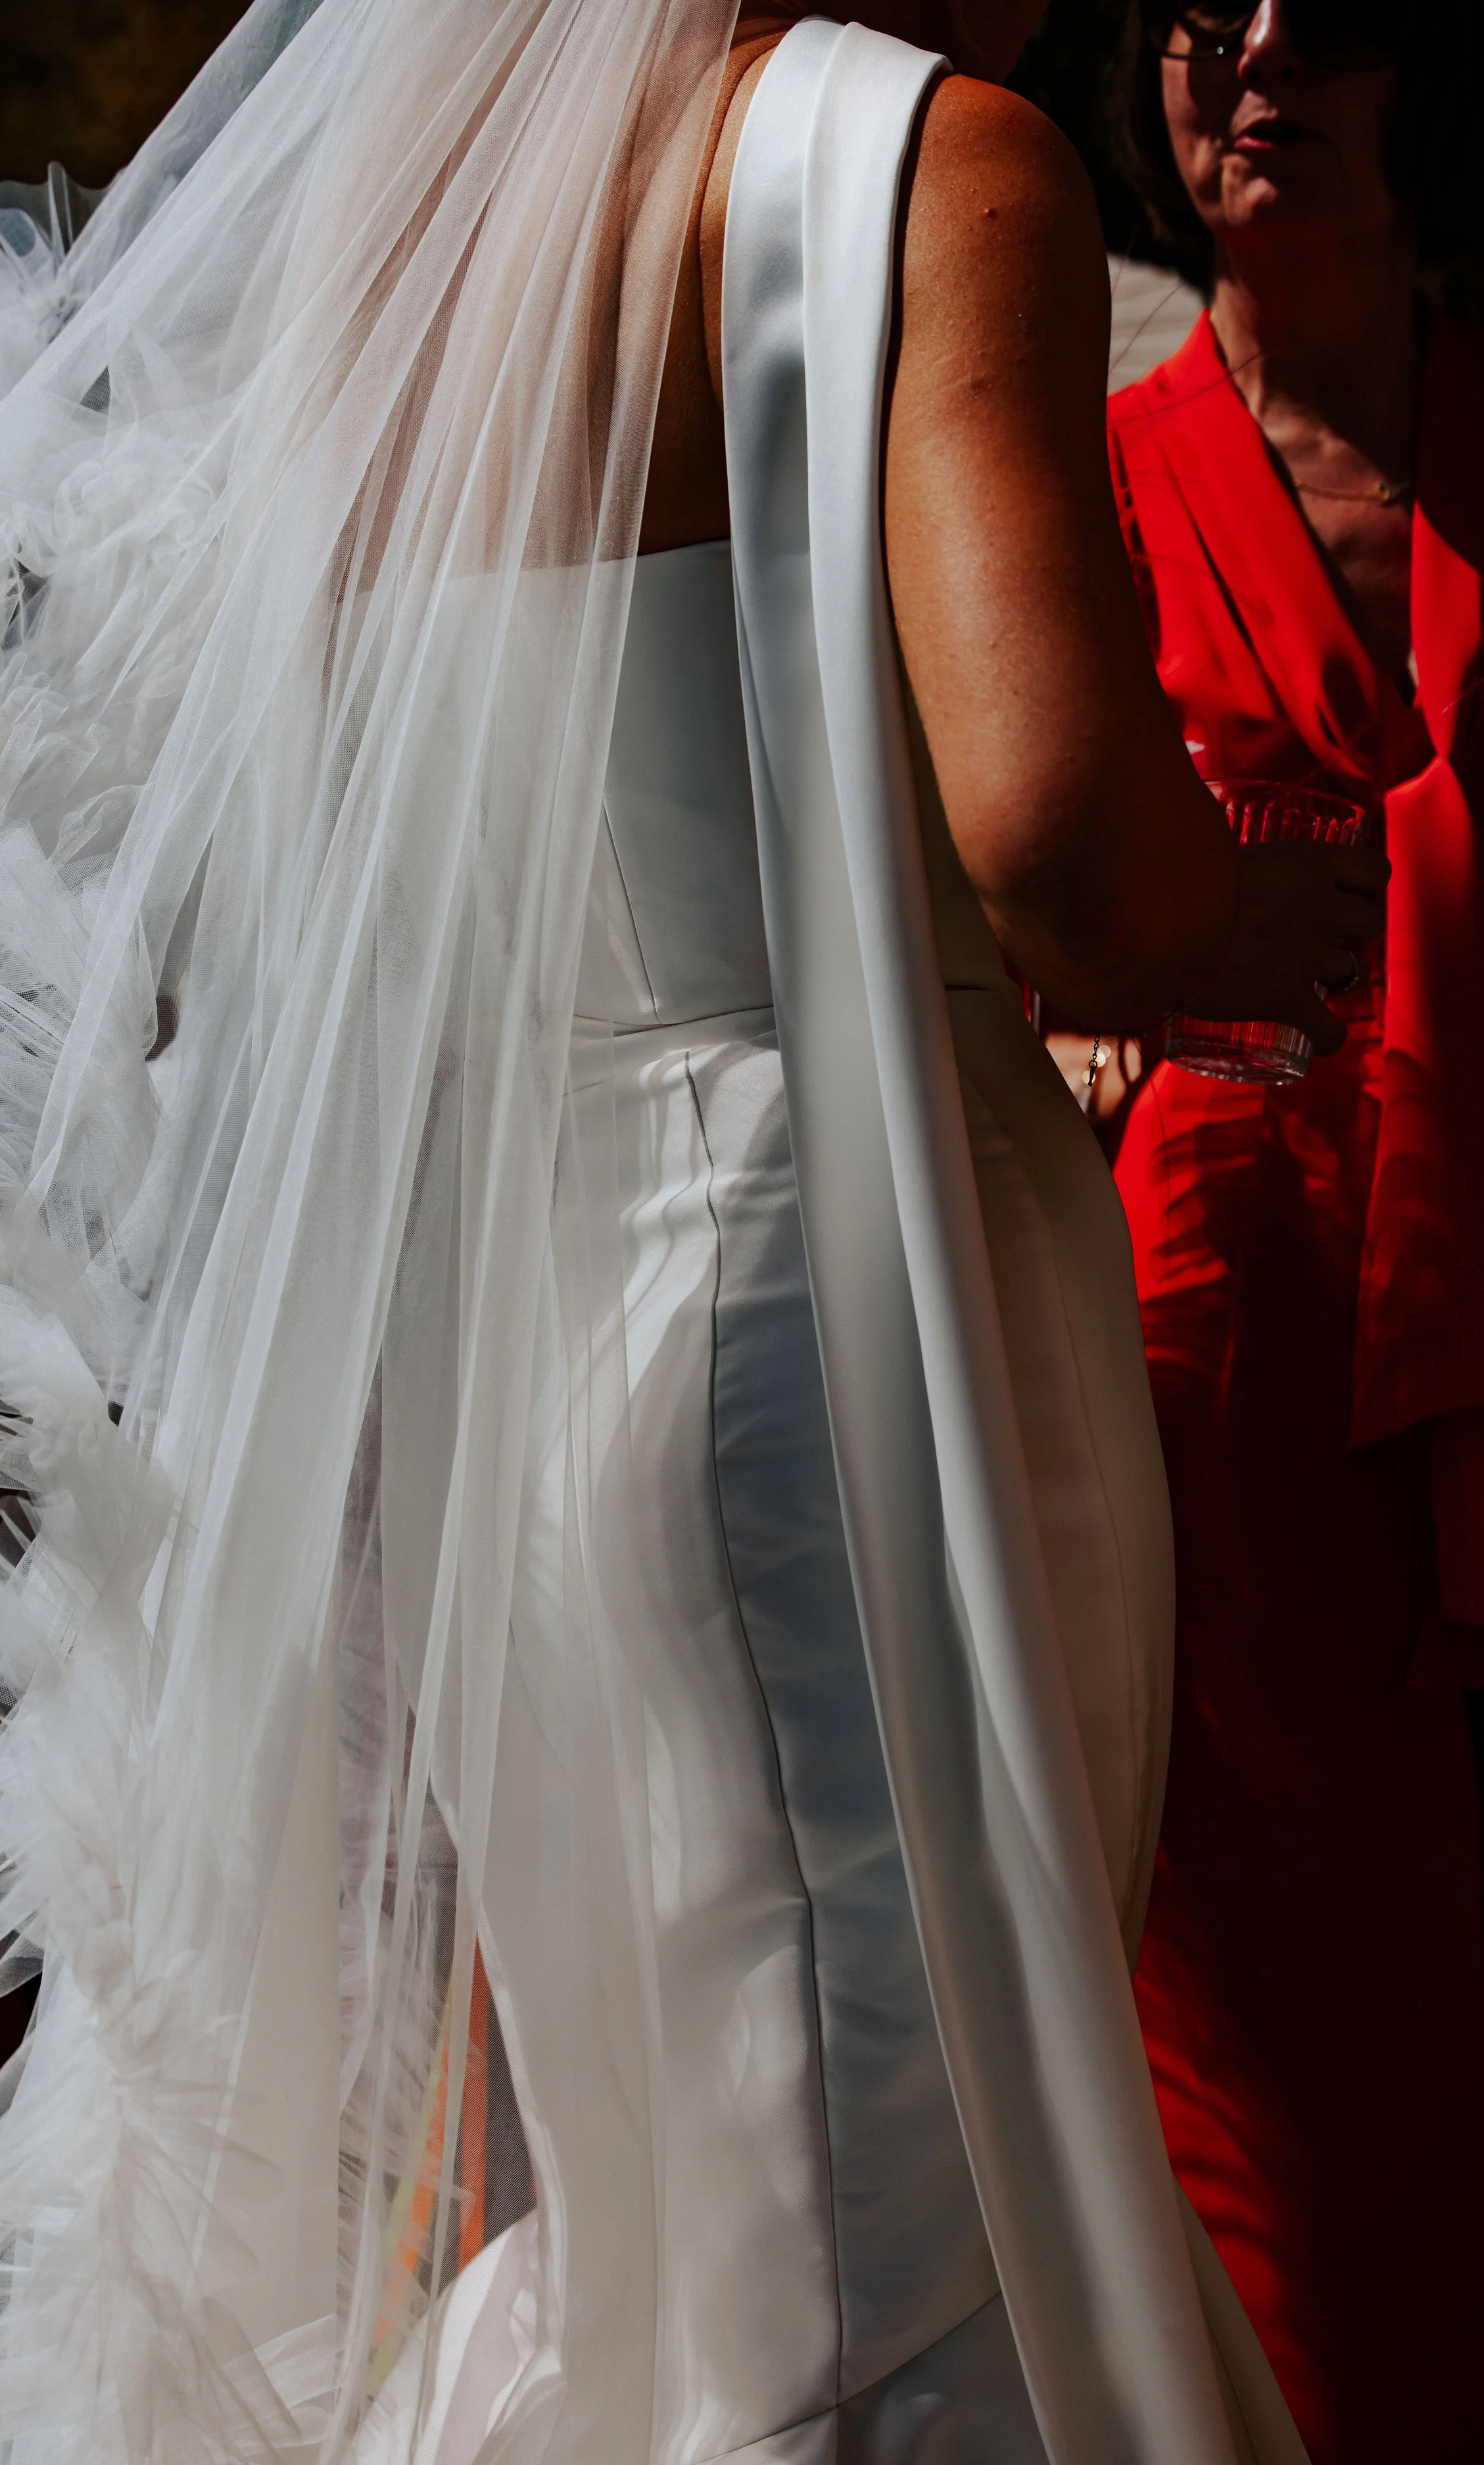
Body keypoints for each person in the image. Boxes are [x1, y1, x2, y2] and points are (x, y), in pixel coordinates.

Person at [0, 1, 1379, 2460]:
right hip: (841, 1299)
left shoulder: (402, 227)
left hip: (517, 1317)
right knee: (892, 2230)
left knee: (691, 2199)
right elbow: (1062, 846)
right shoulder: (928, 167)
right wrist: (1271, 917)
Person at [1101, 3, 1484, 2458]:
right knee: (1303, 2105)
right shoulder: (1065, 469)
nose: (1255, 56)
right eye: (1198, 3)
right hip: (1225, 1359)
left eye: (1329, 5)